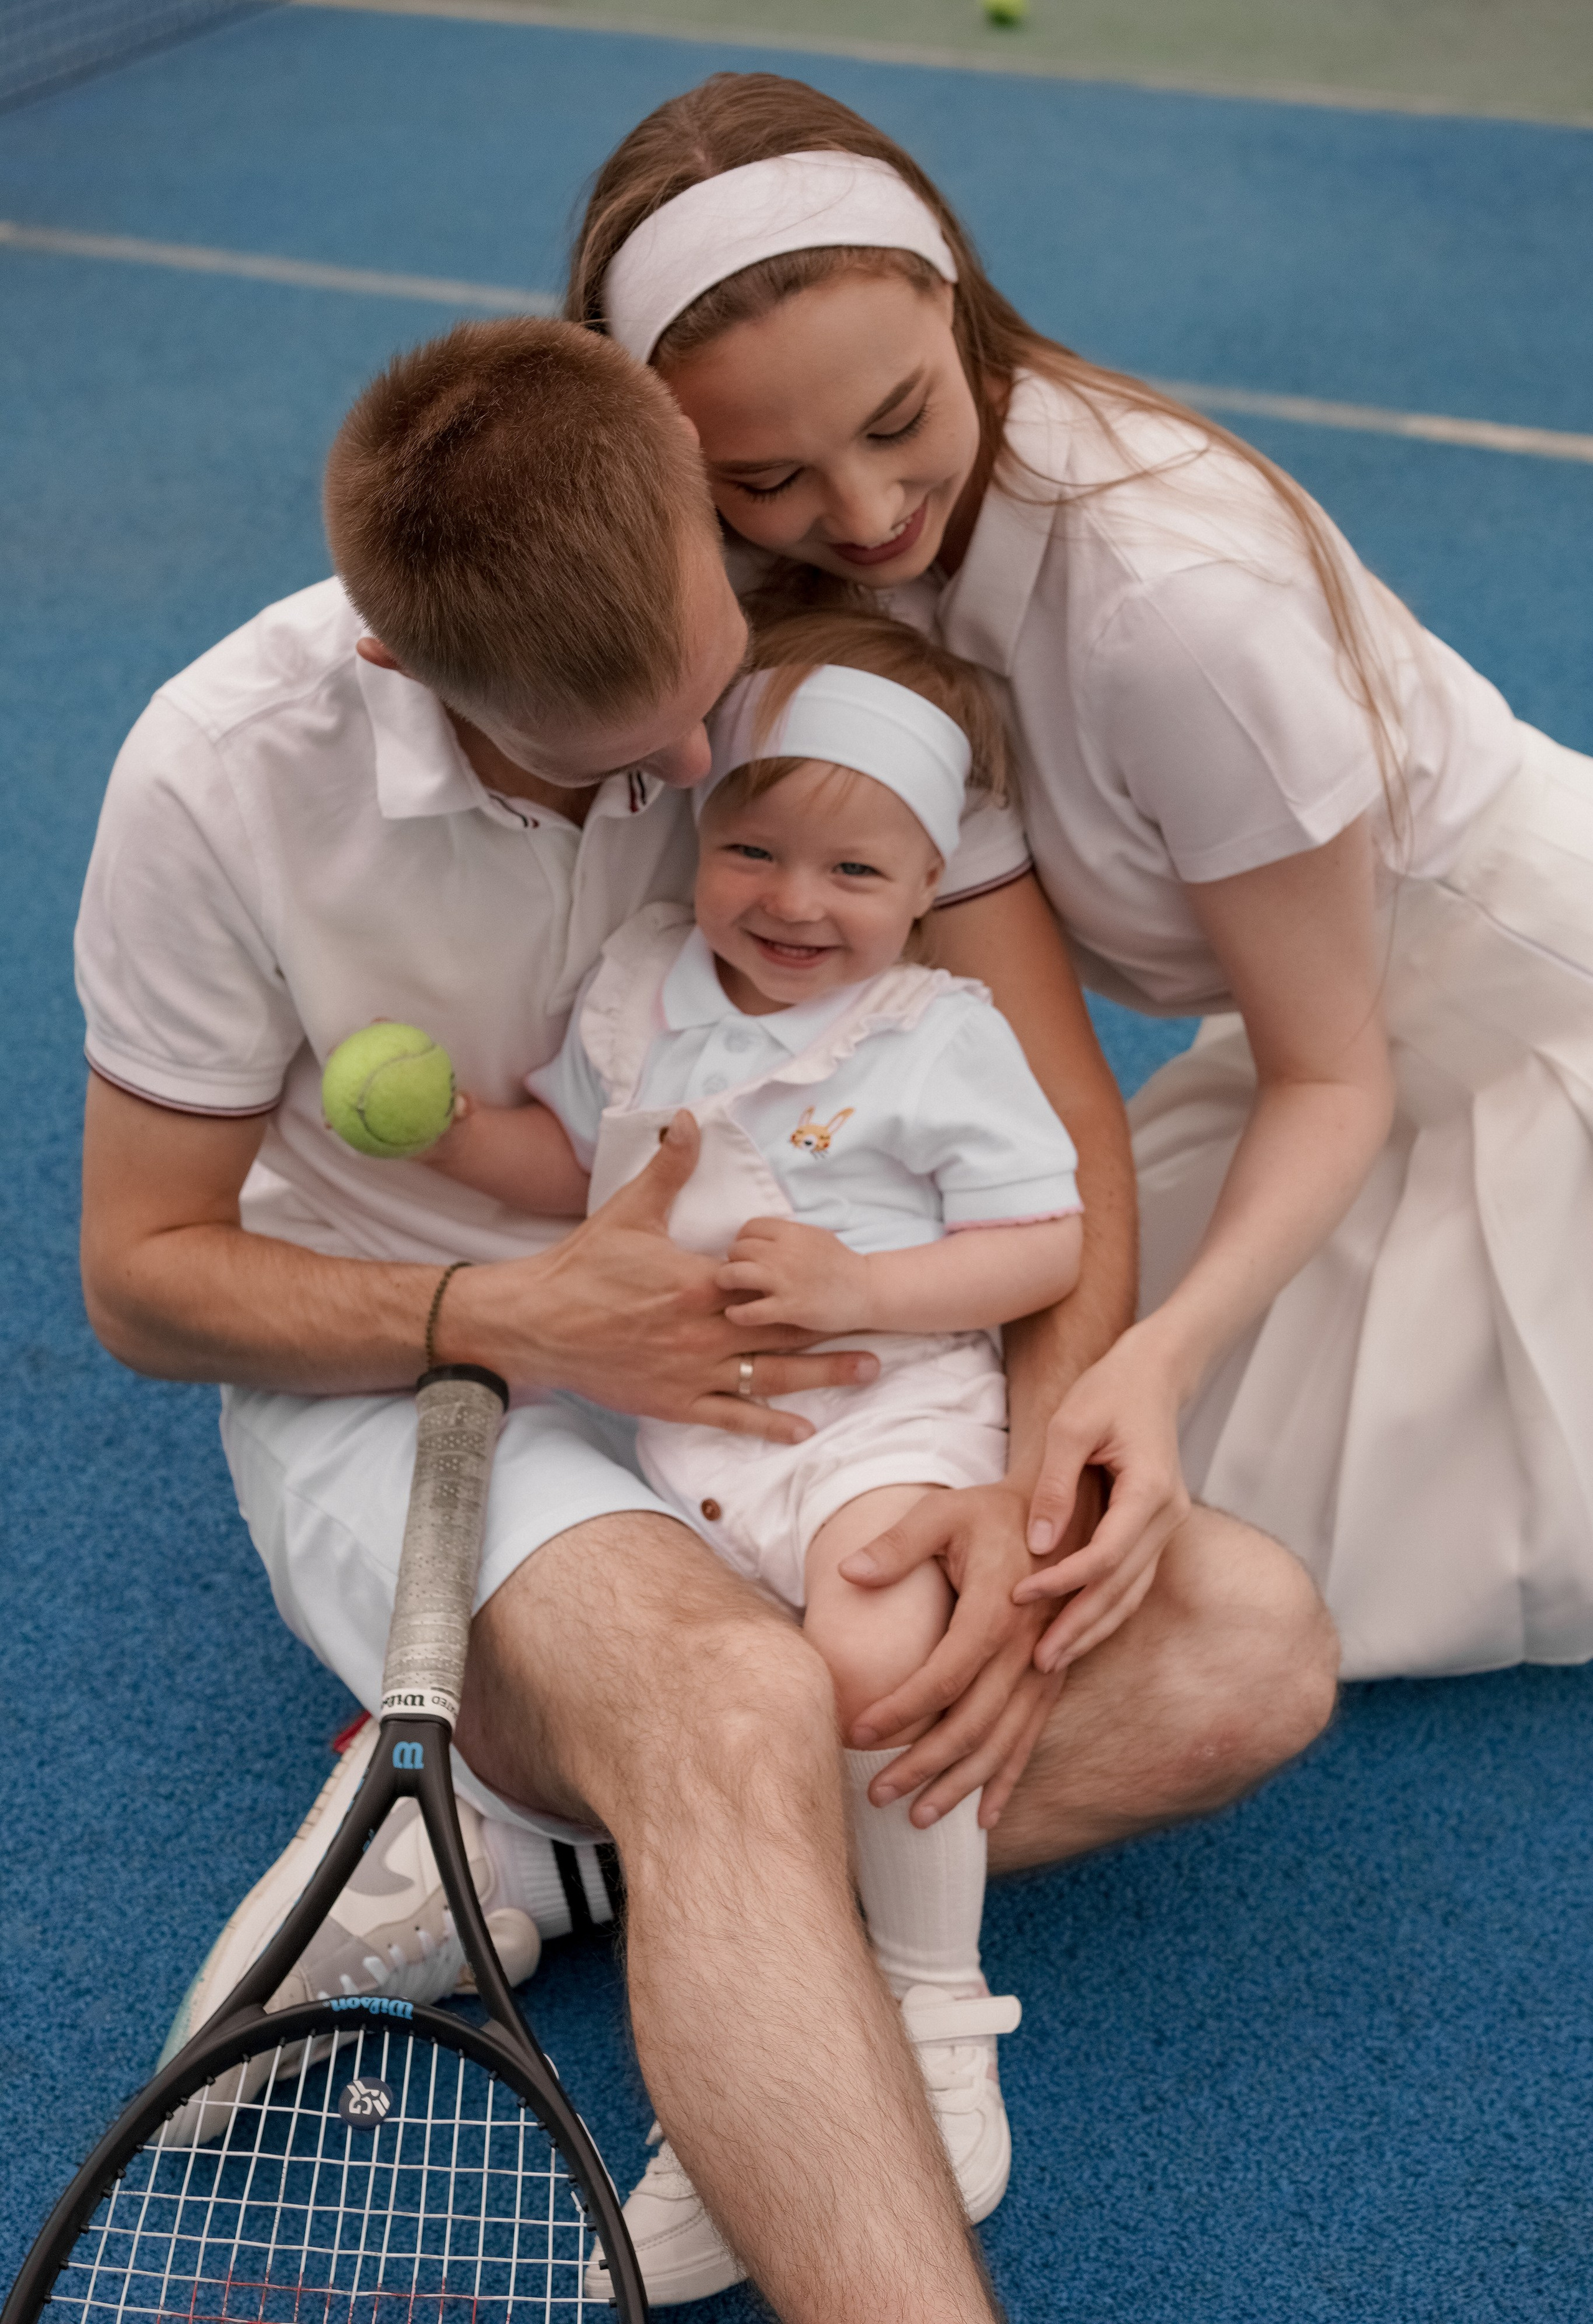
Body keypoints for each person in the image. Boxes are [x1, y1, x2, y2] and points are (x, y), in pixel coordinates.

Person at [76, 309, 1331, 2320]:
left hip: (822, 1393)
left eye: (707, 700)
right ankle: (710, 1858)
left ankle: (556, 1844)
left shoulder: (813, 644)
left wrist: (1011, 1481)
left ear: (687, 478)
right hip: (425, 1378)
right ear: (403, 665)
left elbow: (1052, 1118)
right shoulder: (217, 782)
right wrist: (522, 1308)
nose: (692, 777)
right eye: (615, 757)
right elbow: (144, 1281)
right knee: (745, 1709)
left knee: (1251, 1651)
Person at [568, 72, 1593, 1684]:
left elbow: (1333, 1071)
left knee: (1153, 1541)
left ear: (957, 301)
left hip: (1514, 1050)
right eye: (765, 478)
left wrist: (1161, 1365)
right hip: (1313, 1058)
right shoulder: (804, 574)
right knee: (937, 1430)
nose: (859, 514)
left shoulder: (1176, 614)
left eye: (900, 420)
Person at [429, 612, 1085, 2290]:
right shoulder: (641, 980)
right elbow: (571, 1164)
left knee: (870, 1661)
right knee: (725, 1736)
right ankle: (761, 2088)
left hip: (885, 1413)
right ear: (697, 835)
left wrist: (865, 1281)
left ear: (931, 878)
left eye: (855, 870)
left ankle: (932, 1997)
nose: (796, 901)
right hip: (688, 1443)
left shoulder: (937, 1033)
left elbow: (1042, 1241)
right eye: (755, 850)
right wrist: (441, 1127)